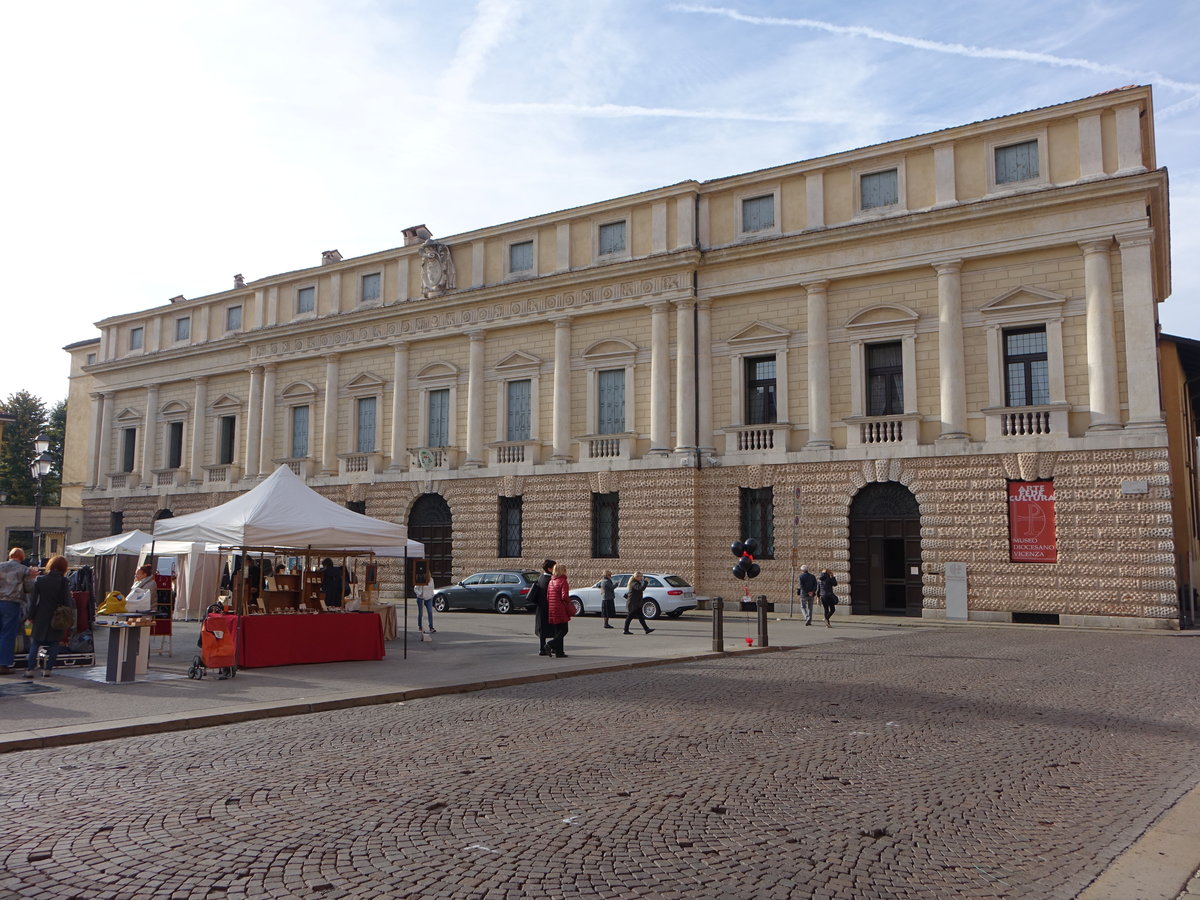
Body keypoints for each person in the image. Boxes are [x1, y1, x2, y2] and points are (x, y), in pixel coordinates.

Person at [24, 555, 72, 678]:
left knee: (35, 642)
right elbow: (67, 601)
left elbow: (34, 600)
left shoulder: (40, 580)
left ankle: (30, 669)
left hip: (41, 614)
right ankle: (48, 670)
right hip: (57, 615)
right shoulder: (64, 582)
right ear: (63, 567)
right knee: (54, 643)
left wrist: (30, 616)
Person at [0, 548, 36, 675]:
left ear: (10, 556)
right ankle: (3, 664)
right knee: (7, 634)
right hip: (11, 603)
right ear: (22, 558)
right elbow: (29, 588)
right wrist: (32, 577)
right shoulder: (23, 570)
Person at [544, 563, 574, 658]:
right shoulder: (563, 581)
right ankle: (550, 644)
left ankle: (559, 652)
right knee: (564, 630)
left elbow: (548, 596)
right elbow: (564, 596)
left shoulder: (551, 581)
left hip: (552, 608)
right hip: (561, 608)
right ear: (562, 571)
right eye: (565, 570)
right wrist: (569, 602)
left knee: (557, 630)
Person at [528, 559, 555, 656]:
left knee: (542, 629)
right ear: (549, 569)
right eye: (554, 567)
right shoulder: (550, 580)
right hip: (549, 607)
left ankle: (542, 648)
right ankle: (553, 646)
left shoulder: (541, 578)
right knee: (555, 628)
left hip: (540, 607)